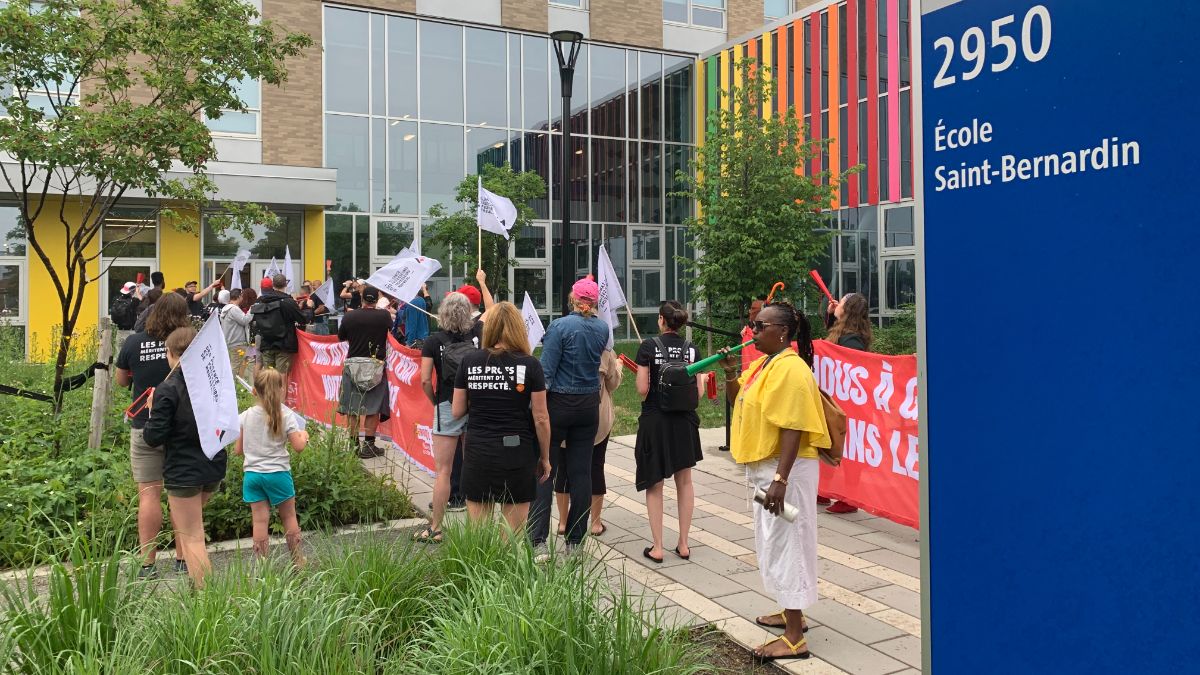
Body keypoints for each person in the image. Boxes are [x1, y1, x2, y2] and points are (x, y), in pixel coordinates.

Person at [720, 300, 830, 664]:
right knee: (773, 540)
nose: (752, 331)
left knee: (789, 543)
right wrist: (731, 372)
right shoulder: (767, 364)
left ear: (781, 332)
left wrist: (780, 479)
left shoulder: (792, 369)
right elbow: (742, 401)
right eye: (753, 324)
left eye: (759, 325)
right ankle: (789, 610)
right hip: (766, 468)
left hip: (786, 471)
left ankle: (795, 637)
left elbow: (794, 425)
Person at [451, 302, 552, 536]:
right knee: (513, 535)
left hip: (478, 450)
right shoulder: (530, 365)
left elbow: (456, 411)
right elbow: (541, 418)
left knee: (478, 535)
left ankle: (479, 573)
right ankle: (507, 573)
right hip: (516, 452)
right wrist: (545, 458)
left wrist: (481, 393)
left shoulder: (469, 362)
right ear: (519, 328)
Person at [142, 325, 230, 590]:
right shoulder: (213, 383)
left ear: (170, 353)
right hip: (213, 464)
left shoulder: (167, 389)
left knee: (192, 536)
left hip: (183, 471)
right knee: (194, 528)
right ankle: (197, 589)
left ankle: (205, 601)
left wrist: (151, 410)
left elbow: (153, 437)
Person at [527, 278, 610, 558]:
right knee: (581, 473)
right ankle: (575, 541)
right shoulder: (602, 328)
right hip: (589, 405)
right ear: (594, 303)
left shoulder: (560, 326)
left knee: (545, 468)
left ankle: (538, 540)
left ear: (573, 299)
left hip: (559, 403)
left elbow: (546, 372)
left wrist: (534, 408)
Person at [114, 293, 192, 578]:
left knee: (149, 494)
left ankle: (147, 564)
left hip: (144, 426)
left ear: (154, 311)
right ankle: (184, 558)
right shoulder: (189, 342)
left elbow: (122, 379)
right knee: (180, 493)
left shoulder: (134, 342)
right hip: (183, 427)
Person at [635, 301, 709, 563]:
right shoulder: (692, 350)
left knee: (655, 483)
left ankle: (657, 547)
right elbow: (698, 392)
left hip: (655, 420)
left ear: (661, 320)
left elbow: (643, 390)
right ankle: (684, 543)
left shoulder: (648, 347)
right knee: (685, 482)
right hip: (685, 422)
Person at [417, 292, 478, 542]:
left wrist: (435, 402)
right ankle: (477, 530)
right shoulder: (478, 336)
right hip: (475, 405)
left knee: (443, 470)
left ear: (442, 313)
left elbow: (424, 379)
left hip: (446, 404)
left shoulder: (433, 341)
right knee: (475, 468)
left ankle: (436, 528)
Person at [236, 368, 309, 568]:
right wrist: (305, 436)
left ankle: (263, 567)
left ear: (254, 391)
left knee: (259, 522)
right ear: (281, 389)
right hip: (278, 474)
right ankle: (297, 561)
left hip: (252, 476)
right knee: (289, 517)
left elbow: (238, 450)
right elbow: (299, 446)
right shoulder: (286, 415)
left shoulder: (245, 416)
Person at [554, 348, 622, 537]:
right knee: (595, 466)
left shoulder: (560, 345)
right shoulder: (604, 349)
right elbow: (613, 384)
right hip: (596, 417)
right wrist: (617, 368)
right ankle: (595, 523)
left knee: (563, 468)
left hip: (563, 413)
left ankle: (562, 521)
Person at [819, 292, 873, 514]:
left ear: (848, 310)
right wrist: (831, 316)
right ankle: (825, 490)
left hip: (849, 401)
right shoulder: (845, 331)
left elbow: (850, 364)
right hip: (838, 397)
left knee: (848, 448)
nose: (836, 303)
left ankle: (850, 498)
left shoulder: (852, 339)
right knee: (829, 440)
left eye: (840, 302)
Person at [337, 285, 393, 459]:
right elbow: (391, 330)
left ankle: (354, 446)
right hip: (375, 365)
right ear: (376, 299)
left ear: (361, 299)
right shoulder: (384, 316)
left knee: (353, 409)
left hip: (353, 364)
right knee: (373, 408)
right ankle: (369, 445)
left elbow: (341, 337)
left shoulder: (350, 316)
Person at [251, 274, 308, 375]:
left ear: (273, 285)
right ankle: (279, 392)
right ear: (285, 284)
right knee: (282, 378)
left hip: (266, 343)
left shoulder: (262, 301)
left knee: (269, 378)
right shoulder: (288, 302)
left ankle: (267, 391)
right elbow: (303, 319)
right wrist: (309, 308)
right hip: (284, 344)